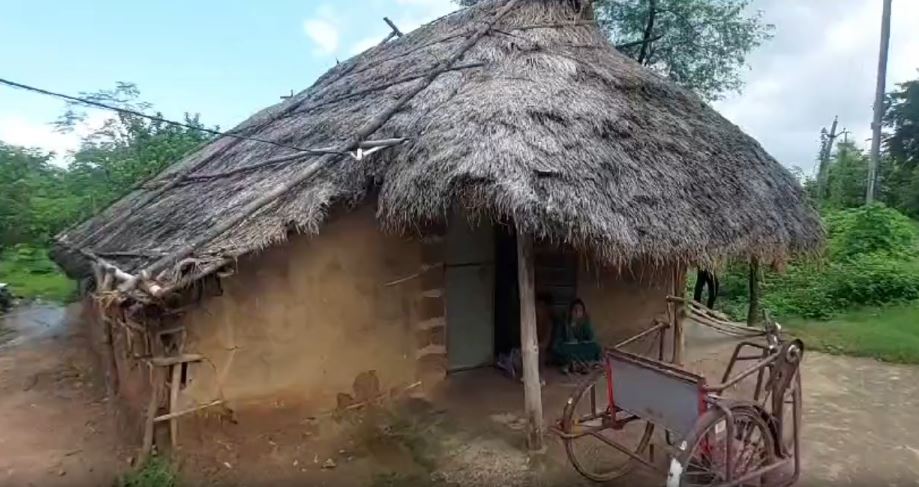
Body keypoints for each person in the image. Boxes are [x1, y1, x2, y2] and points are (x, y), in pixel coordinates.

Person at [551, 298, 602, 374]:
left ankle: (577, 365)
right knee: (561, 352)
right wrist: (568, 342)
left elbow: (591, 339)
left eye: (580, 310)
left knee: (595, 347)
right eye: (575, 310)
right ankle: (579, 365)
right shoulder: (563, 323)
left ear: (583, 313)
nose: (577, 312)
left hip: (579, 348)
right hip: (567, 348)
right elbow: (556, 343)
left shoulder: (585, 323)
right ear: (570, 311)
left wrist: (581, 342)